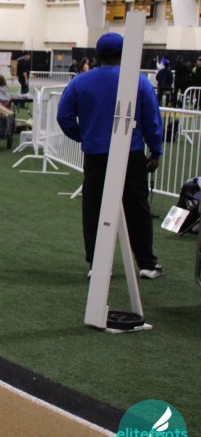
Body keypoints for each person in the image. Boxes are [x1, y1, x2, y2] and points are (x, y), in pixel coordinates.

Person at [56, 32, 164, 279]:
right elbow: (152, 120)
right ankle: (146, 264)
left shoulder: (80, 82)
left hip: (95, 155)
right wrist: (155, 151)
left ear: (97, 56)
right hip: (130, 153)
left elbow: (64, 116)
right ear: (124, 54)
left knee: (94, 208)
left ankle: (97, 265)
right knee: (137, 208)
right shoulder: (138, 81)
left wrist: (84, 136)